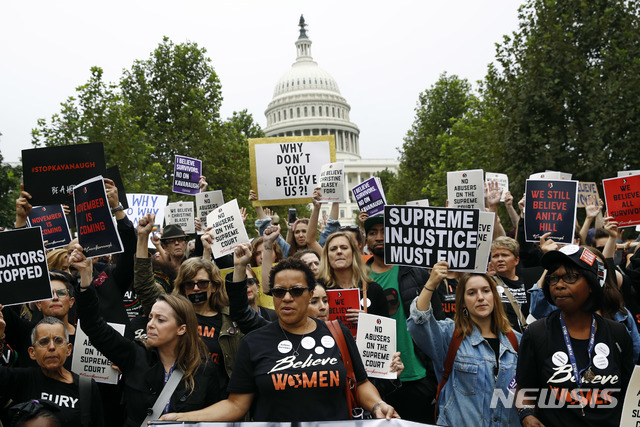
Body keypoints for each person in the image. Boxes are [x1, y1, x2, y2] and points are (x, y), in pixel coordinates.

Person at [159, 251, 398, 422]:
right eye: (279, 291)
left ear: (310, 293)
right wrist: (183, 417)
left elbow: (361, 384)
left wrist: (378, 405)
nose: (286, 298)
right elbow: (235, 405)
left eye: (296, 291)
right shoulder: (253, 342)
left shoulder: (337, 332)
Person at [70, 245, 221, 426]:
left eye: (161, 320)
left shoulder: (203, 367)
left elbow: (213, 416)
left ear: (181, 328)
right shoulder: (134, 355)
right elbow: (93, 326)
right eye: (150, 318)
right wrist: (86, 278)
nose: (151, 325)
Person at [516, 245, 633, 427]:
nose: (559, 285)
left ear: (592, 283)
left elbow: (628, 392)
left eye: (570, 277)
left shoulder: (618, 333)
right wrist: (527, 415)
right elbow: (525, 388)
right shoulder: (536, 333)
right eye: (553, 279)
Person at [408, 263, 521, 426]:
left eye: (486, 290)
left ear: (494, 297)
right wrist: (431, 283)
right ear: (462, 302)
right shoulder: (450, 335)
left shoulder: (516, 340)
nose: (480, 297)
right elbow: (418, 323)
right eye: (472, 293)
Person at [363, 213, 442, 424]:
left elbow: (438, 321)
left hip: (418, 375)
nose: (379, 237)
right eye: (372, 233)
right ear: (365, 240)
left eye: (384, 231)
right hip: (377, 380)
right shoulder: (359, 276)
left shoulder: (415, 272)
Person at [0, 315, 104, 427]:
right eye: (44, 342)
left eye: (58, 341)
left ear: (68, 349)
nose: (52, 347)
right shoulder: (22, 379)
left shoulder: (86, 387)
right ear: (32, 352)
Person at [317, 231, 389, 319]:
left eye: (344, 248)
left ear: (353, 253)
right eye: (333, 249)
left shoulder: (373, 289)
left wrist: (367, 321)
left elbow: (386, 329)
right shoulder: (318, 288)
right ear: (327, 256)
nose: (339, 252)